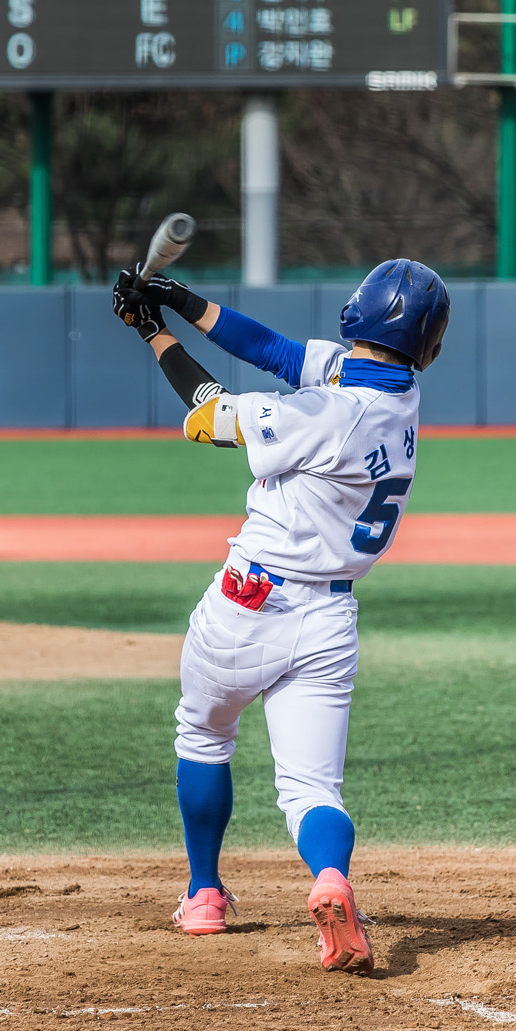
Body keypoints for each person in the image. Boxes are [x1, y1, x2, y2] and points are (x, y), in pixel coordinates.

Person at [110, 259, 449, 976]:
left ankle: (205, 894)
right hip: (330, 618)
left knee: (203, 733)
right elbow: (277, 352)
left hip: (248, 602)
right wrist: (181, 297)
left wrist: (150, 332)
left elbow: (207, 415)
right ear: (428, 346)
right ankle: (331, 879)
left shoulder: (325, 412)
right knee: (311, 790)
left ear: (355, 313)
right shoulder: (400, 392)